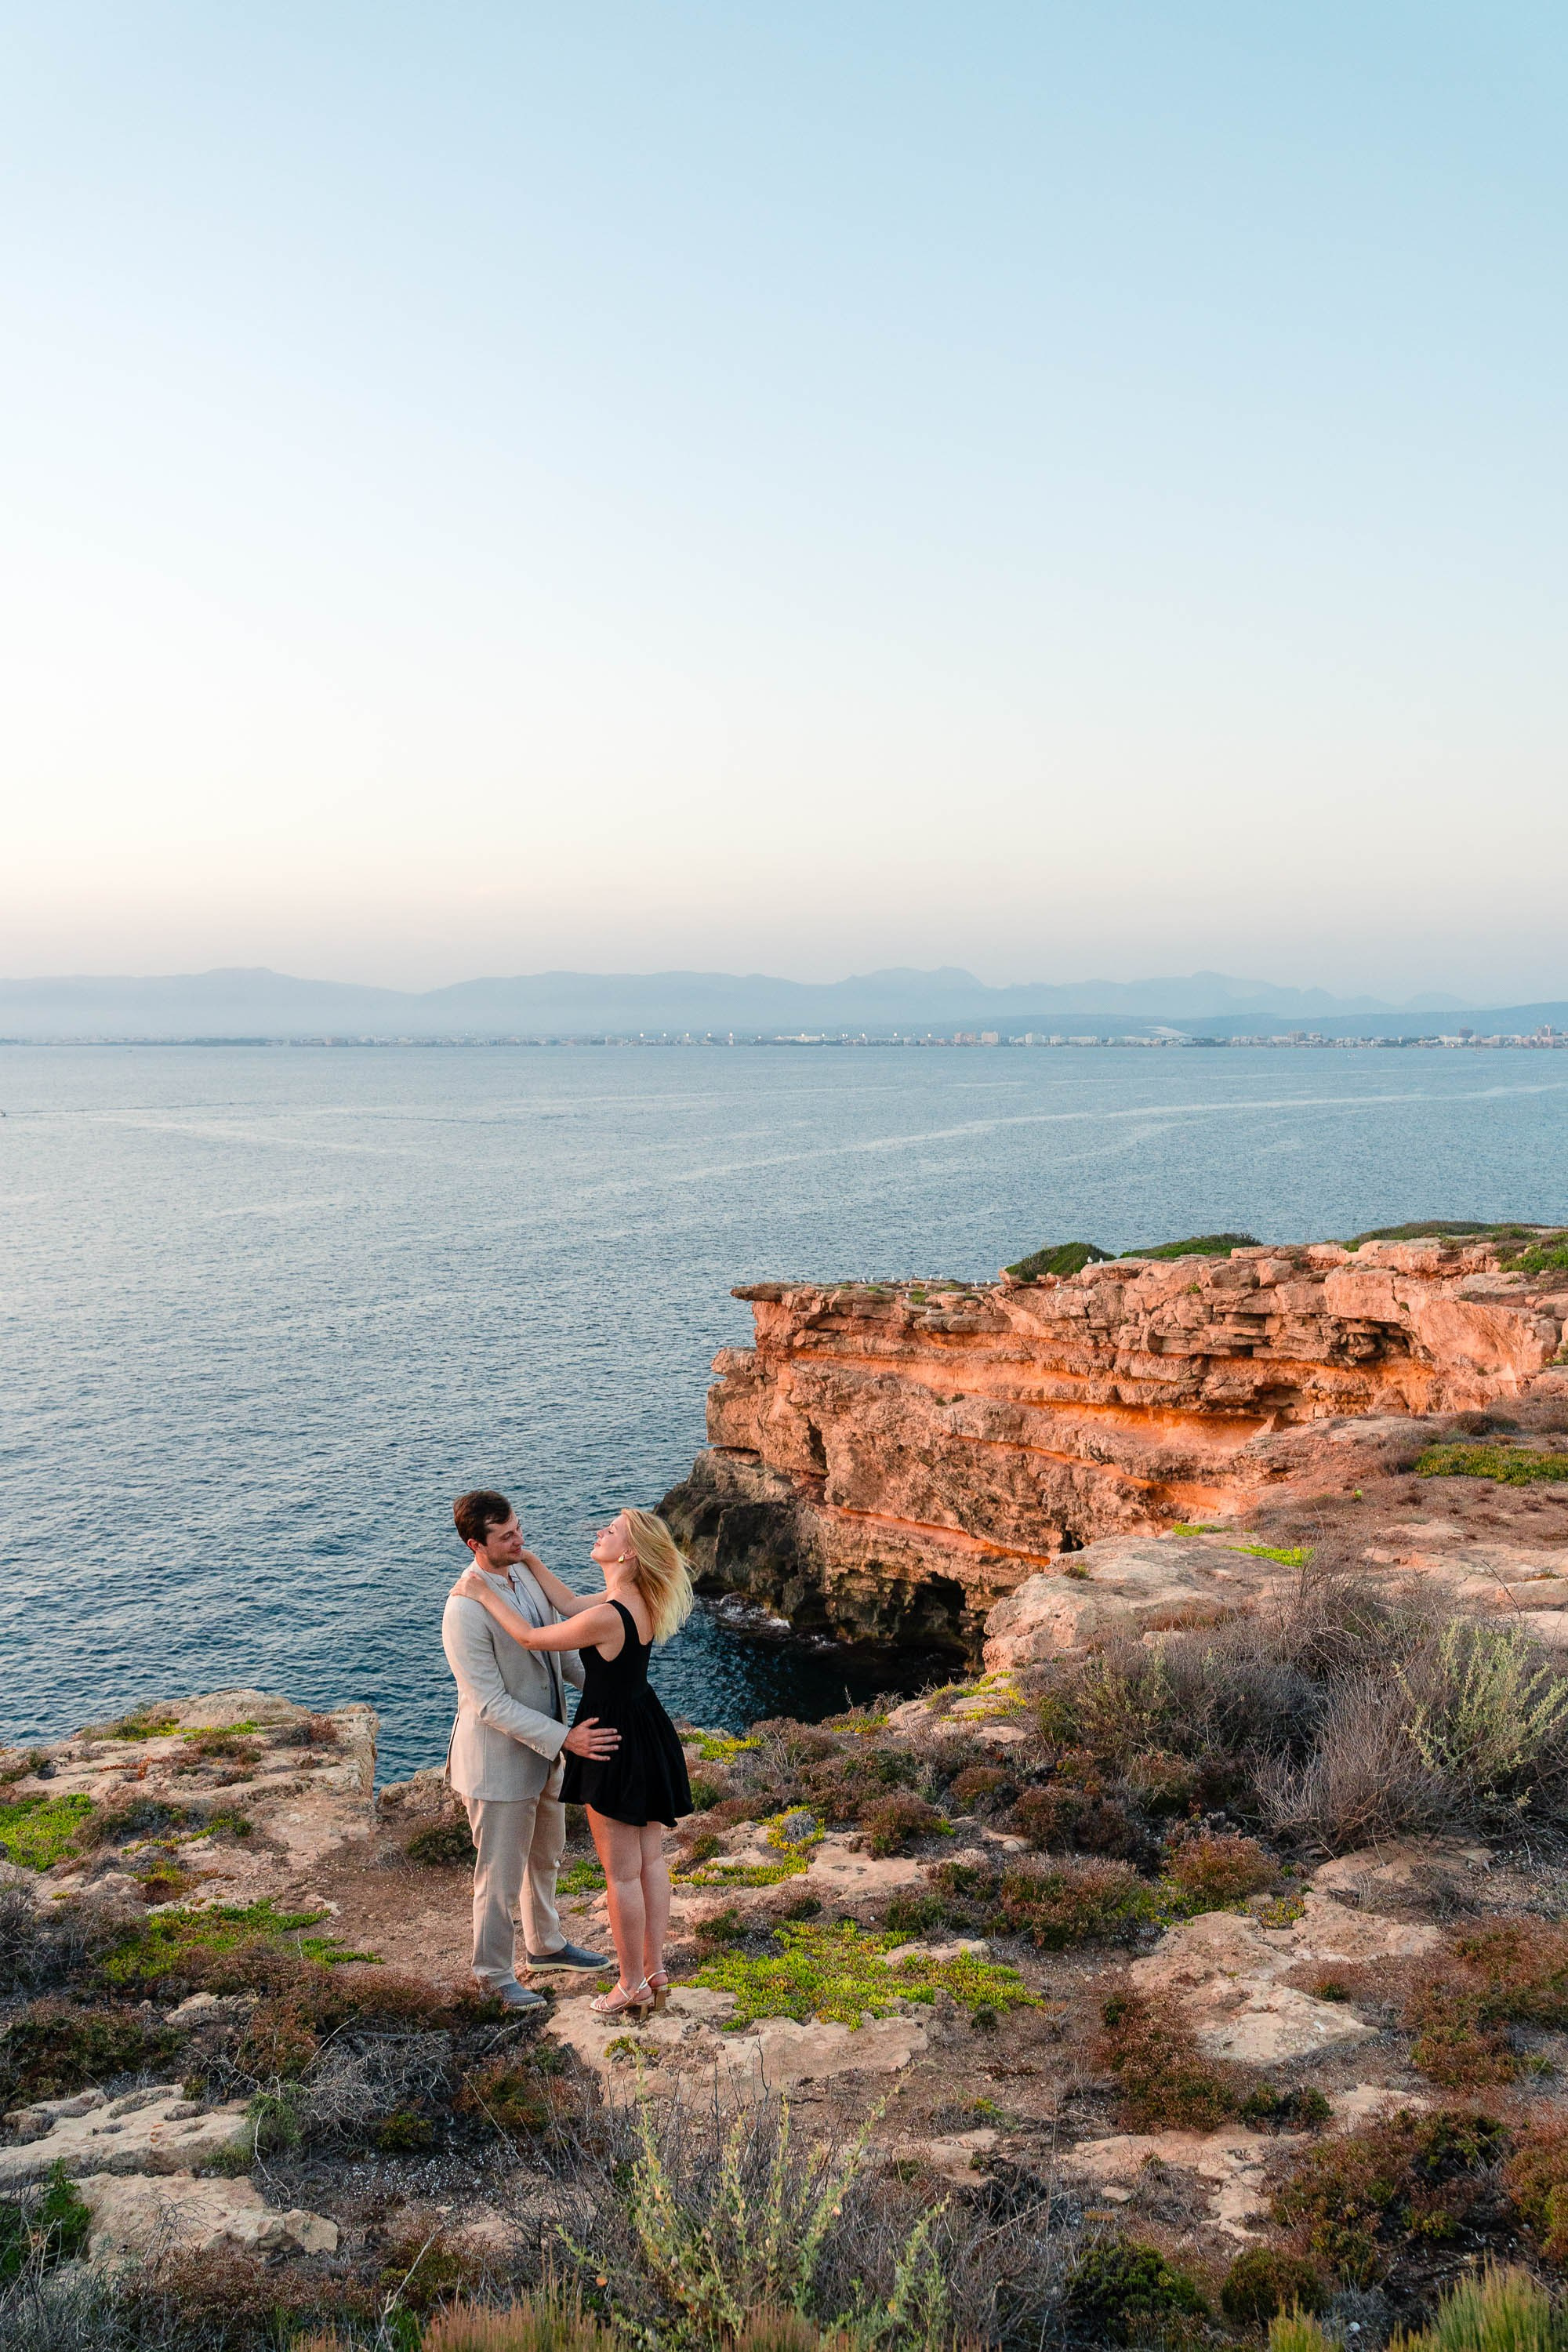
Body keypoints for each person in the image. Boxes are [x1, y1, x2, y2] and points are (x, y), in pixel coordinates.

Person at [453, 1506, 694, 2020]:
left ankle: (630, 1985)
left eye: (611, 1530)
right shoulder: (636, 1598)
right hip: (643, 1730)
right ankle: (653, 1973)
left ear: (628, 1553)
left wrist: (484, 1593)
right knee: (650, 1862)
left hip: (609, 1743)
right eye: (509, 1534)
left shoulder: (608, 1613)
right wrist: (531, 1561)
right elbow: (565, 1605)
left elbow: (531, 1639)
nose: (600, 1531)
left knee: (623, 1874)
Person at [442, 1490, 615, 2011]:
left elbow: (559, 1652)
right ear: (476, 1544)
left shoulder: (524, 1574)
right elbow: (489, 1704)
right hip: (496, 1765)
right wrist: (567, 1738)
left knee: (545, 1856)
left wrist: (614, 1691)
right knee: (498, 1878)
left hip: (543, 1757)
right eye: (506, 1536)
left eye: (518, 1527)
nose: (520, 1540)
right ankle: (493, 1976)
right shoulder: (464, 1609)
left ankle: (545, 1945)